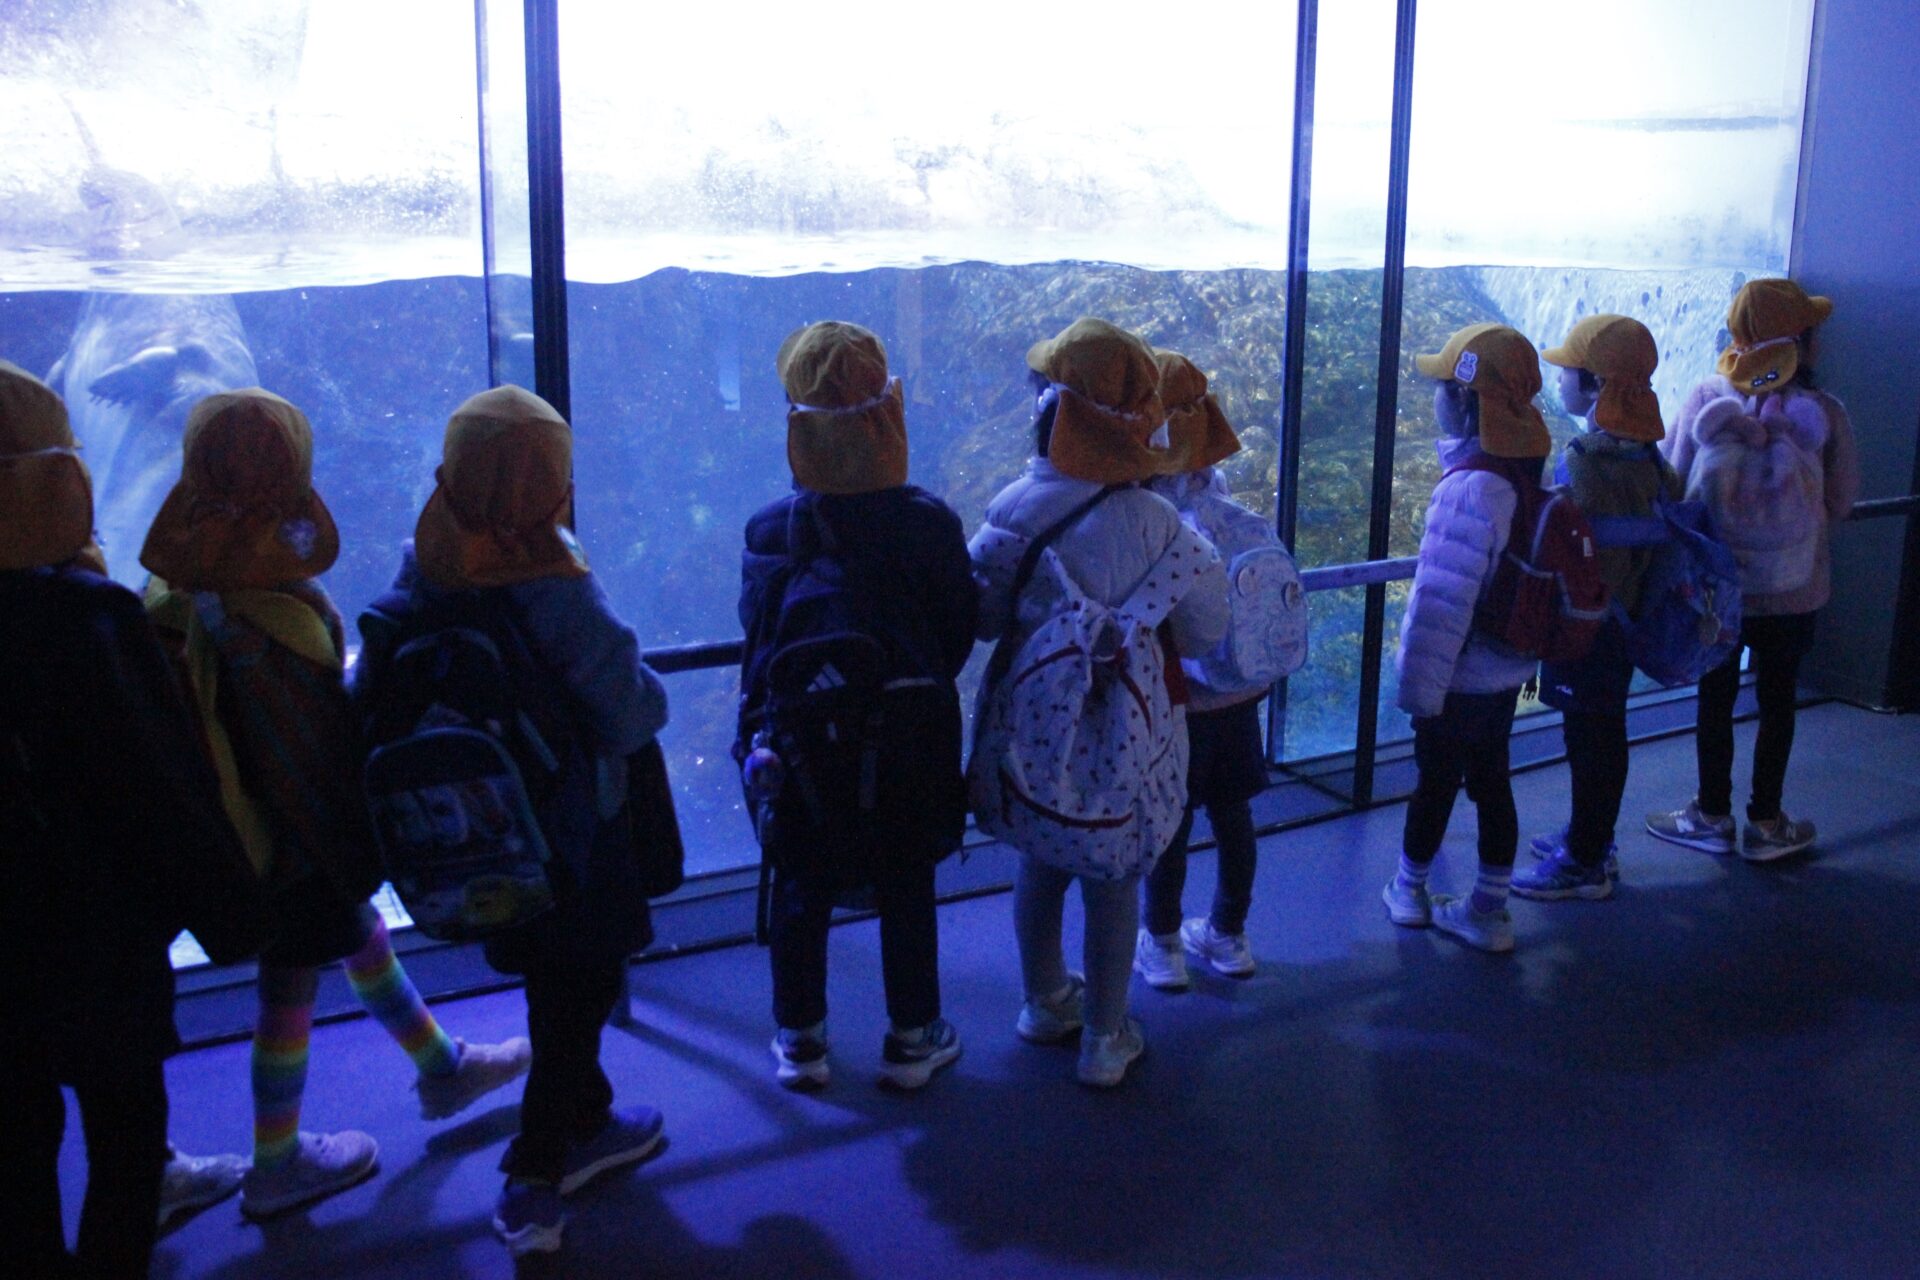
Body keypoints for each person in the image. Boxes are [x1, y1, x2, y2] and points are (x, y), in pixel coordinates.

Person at [138, 389, 532, 1224]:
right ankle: (277, 1164)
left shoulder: (164, 602)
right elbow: (314, 748)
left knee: (357, 932)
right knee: (289, 991)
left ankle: (444, 1066)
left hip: (212, 839)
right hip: (292, 846)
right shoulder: (277, 618)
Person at [352, 384, 669, 1257]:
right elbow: (632, 713)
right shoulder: (554, 586)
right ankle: (536, 1176)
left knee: (550, 983)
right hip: (571, 838)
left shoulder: (420, 575)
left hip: (472, 842)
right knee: (583, 985)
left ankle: (592, 1117)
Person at [1, 360, 266, 1278]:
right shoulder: (88, 620)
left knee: (14, 1146)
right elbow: (160, 786)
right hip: (94, 942)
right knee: (125, 1131)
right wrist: (231, 912)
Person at [971, 318, 1228, 1086]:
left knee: (1040, 859)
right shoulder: (1159, 524)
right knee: (1115, 879)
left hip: (1034, 740)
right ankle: (1105, 1038)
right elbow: (1207, 630)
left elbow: (981, 617)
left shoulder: (1015, 508)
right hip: (1131, 742)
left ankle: (1045, 999)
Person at [738, 320, 976, 1092]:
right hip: (907, 741)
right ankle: (913, 1036)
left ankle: (800, 1039)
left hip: (798, 744)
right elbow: (955, 630)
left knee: (800, 877)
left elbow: (757, 631)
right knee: (907, 880)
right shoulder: (927, 521)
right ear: (887, 414)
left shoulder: (772, 528)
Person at [1648, 279, 1859, 860]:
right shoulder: (1826, 413)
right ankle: (1766, 823)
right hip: (1795, 590)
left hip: (1717, 593)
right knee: (1778, 700)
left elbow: (1674, 486)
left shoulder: (1706, 399)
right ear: (1803, 344)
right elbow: (1842, 502)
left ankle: (1710, 815)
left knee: (1715, 697)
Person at [1384, 323, 1553, 954]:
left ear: (1463, 399)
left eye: (1440, 386)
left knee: (1434, 784)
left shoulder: (1469, 489)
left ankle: (1409, 891)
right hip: (1507, 674)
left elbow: (1441, 606)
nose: (1433, 396)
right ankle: (1488, 907)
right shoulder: (1527, 477)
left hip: (1459, 678)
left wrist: (1420, 693)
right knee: (1492, 784)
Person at [1513, 316, 1679, 901]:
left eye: (1568, 371)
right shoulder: (1650, 459)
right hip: (1625, 619)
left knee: (1588, 739)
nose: (1559, 380)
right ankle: (1593, 839)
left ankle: (1584, 861)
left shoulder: (1584, 457)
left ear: (1596, 385)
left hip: (1585, 624)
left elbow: (1571, 540)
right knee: (1606, 731)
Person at [1135, 350, 1269, 987]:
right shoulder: (1225, 502)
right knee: (1234, 816)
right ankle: (1229, 934)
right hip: (1240, 690)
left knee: (1173, 819)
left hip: (1182, 697)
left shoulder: (1151, 515)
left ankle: (1162, 943)